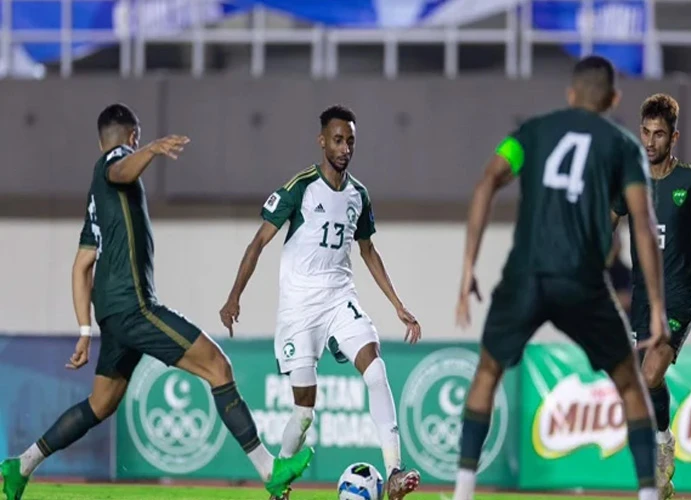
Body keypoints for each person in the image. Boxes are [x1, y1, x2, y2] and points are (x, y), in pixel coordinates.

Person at [0, 103, 311, 500]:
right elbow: (119, 169)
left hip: (111, 315)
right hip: (134, 306)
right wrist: (150, 150)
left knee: (99, 404)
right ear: (131, 137)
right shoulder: (117, 162)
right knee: (218, 366)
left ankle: (19, 466)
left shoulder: (97, 202)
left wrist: (84, 329)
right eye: (138, 140)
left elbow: (81, 266)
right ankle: (270, 469)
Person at [451, 55, 670, 500]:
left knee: (487, 373)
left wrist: (467, 270)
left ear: (571, 94)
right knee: (630, 383)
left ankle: (462, 492)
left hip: (524, 277)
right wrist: (659, 311)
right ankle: (648, 496)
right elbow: (643, 225)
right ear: (613, 99)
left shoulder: (530, 134)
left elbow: (486, 183)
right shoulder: (625, 147)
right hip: (582, 283)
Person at [219, 105, 422, 500]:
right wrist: (234, 296)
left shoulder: (359, 195)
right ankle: (278, 482)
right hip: (299, 309)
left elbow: (368, 251)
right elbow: (259, 241)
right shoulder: (300, 187)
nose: (345, 148)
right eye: (338, 139)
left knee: (376, 371)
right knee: (304, 413)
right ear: (322, 141)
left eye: (350, 141)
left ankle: (394, 471)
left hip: (339, 297)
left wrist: (397, 304)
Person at [611, 93, 691, 498]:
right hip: (642, 301)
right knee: (645, 380)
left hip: (679, 299)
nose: (650, 142)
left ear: (674, 137)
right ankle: (665, 438)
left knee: (650, 374)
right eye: (646, 133)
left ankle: (660, 450)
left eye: (659, 134)